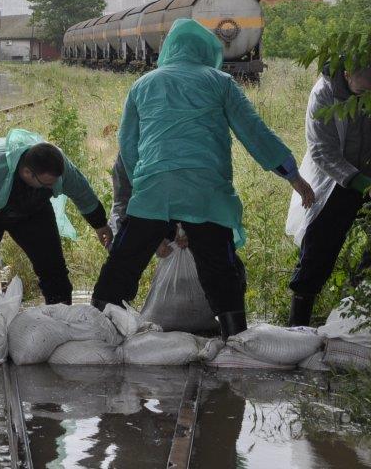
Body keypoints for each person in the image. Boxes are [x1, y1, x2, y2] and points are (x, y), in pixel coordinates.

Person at [91, 19, 315, 340]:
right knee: (219, 269)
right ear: (205, 51)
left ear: (170, 49)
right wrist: (293, 175)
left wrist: (145, 187)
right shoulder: (220, 82)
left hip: (155, 190)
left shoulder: (143, 84)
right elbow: (254, 132)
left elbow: (128, 147)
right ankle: (237, 339)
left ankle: (95, 329)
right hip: (206, 193)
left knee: (123, 263)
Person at [0, 129, 111, 303]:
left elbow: (83, 193)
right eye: (48, 184)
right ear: (27, 173)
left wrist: (100, 224)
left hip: (33, 211)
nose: (53, 186)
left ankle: (61, 314)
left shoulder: (59, 167)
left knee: (53, 269)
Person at [285, 63, 371, 326]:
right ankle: (298, 322)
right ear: (346, 73)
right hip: (337, 180)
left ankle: (357, 301)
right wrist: (360, 182)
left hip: (367, 174)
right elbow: (322, 151)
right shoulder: (324, 94)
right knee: (320, 246)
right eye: (364, 89)